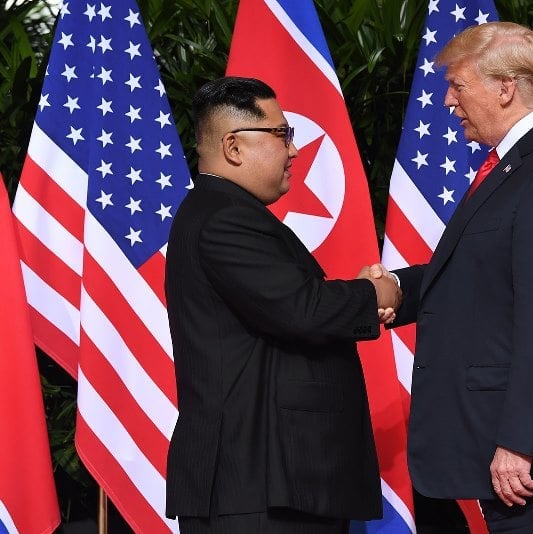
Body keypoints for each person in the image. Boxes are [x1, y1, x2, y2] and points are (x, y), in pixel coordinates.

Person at [372, 22, 533, 532]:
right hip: (504, 455)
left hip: (532, 465)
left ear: (506, 87)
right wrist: (396, 286)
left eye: (458, 85)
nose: (447, 101)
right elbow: (479, 278)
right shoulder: (516, 166)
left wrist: (521, 441)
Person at [164, 76, 400, 533]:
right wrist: (377, 293)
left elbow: (288, 304)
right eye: (282, 134)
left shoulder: (223, 212)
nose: (294, 150)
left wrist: (363, 295)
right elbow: (303, 311)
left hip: (266, 485)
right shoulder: (226, 219)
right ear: (233, 146)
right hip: (258, 487)